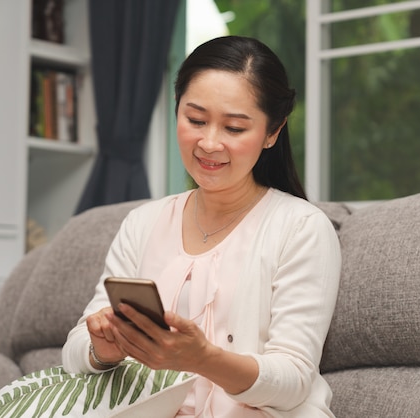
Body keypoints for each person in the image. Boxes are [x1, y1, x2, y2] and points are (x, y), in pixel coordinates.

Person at [62, 35, 342, 417]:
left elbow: (293, 380)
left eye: (234, 128)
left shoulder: (301, 228)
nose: (209, 143)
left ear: (272, 133)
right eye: (195, 120)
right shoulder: (142, 223)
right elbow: (76, 349)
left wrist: (204, 358)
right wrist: (102, 348)